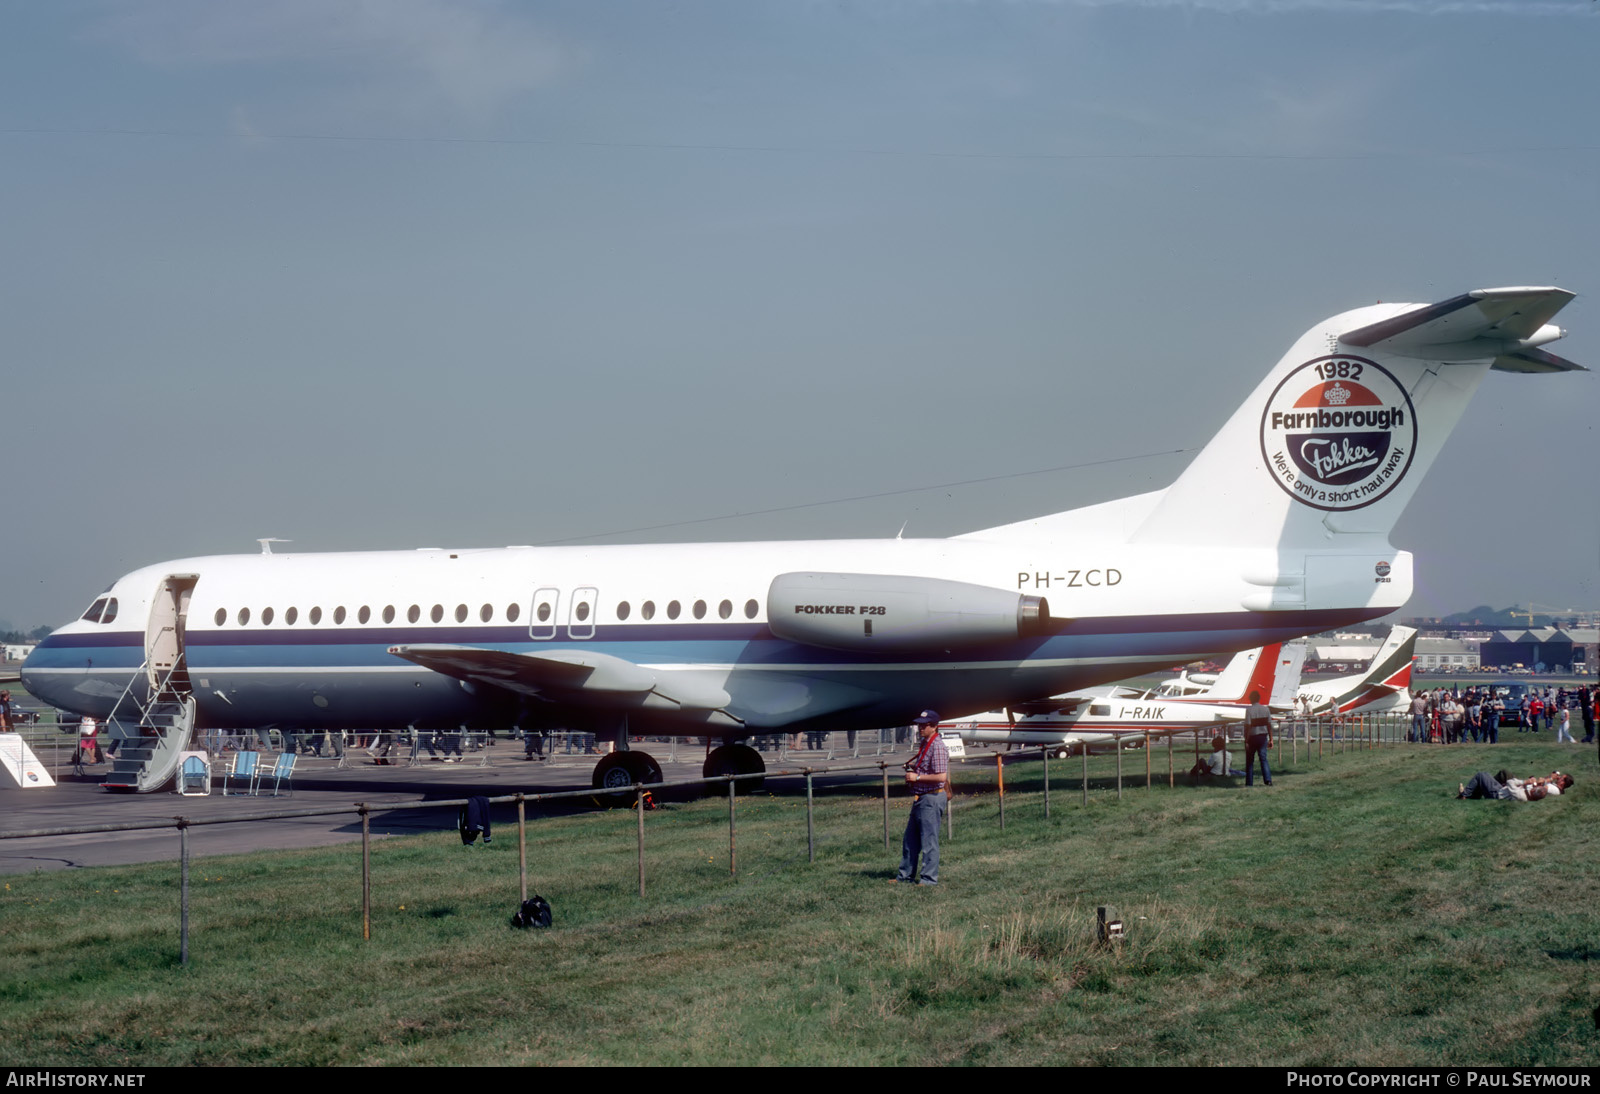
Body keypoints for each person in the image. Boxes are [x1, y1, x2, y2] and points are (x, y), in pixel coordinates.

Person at [895, 710, 949, 886]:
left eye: (924, 725)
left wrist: (916, 777)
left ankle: (928, 879)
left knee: (929, 841)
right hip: (922, 798)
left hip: (931, 798)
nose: (921, 728)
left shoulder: (937, 746)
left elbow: (941, 777)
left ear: (934, 726)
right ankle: (905, 876)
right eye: (920, 724)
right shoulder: (926, 744)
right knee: (910, 840)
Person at [1243, 690, 1273, 787]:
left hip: (1252, 737)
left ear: (1251, 699)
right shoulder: (1266, 709)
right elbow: (1269, 725)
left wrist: (1246, 740)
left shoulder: (1249, 710)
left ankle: (1249, 782)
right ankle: (1268, 780)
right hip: (1263, 736)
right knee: (1263, 759)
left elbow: (1248, 726)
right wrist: (1271, 739)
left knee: (1250, 760)